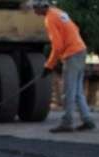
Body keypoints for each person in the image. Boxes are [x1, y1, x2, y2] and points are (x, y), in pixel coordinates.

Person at [31, 0, 95, 133]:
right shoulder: (59, 12)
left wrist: (49, 66)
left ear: (41, 7)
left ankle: (67, 123)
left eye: (34, 8)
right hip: (81, 50)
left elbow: (58, 46)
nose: (33, 11)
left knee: (68, 91)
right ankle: (87, 120)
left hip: (72, 54)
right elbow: (75, 28)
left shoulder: (50, 19)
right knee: (77, 91)